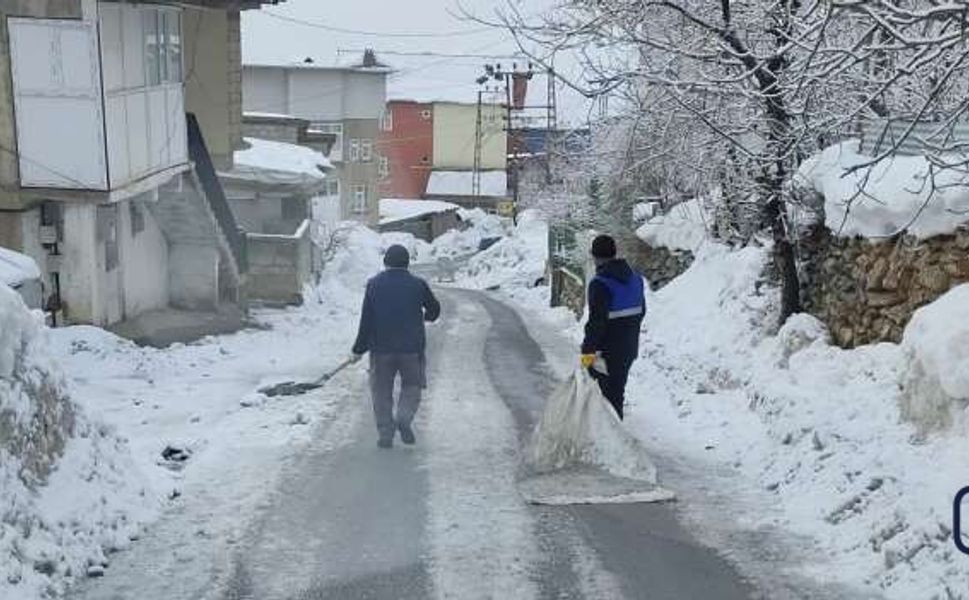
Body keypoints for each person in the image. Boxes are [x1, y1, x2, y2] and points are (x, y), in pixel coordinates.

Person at [352, 245, 441, 448]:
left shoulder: (374, 285)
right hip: (412, 349)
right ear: (407, 264)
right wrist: (426, 317)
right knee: (412, 386)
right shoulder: (418, 285)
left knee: (381, 391)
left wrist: (359, 348)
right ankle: (403, 418)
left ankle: (385, 432)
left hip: (381, 350)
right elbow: (435, 309)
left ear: (386, 263)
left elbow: (367, 320)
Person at [580, 235, 646, 420]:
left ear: (594, 256)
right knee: (616, 395)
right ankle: (614, 437)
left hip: (605, 354)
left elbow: (596, 323)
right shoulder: (636, 279)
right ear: (615, 253)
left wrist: (587, 352)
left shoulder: (600, 284)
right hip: (629, 349)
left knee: (603, 401)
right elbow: (641, 312)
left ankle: (610, 443)